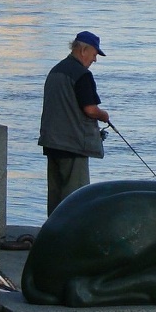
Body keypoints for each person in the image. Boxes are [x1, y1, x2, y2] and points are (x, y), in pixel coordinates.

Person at [38, 30, 111, 215]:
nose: (95, 60)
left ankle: (53, 237)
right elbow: (90, 109)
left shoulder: (56, 70)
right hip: (73, 145)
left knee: (55, 199)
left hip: (52, 142)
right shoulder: (82, 75)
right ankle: (72, 241)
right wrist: (104, 115)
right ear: (83, 50)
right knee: (76, 200)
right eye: (95, 54)